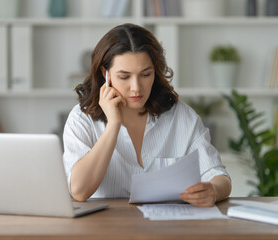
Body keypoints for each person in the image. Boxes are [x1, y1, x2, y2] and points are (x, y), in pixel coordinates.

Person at [63, 23, 231, 207]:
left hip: (166, 229)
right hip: (105, 230)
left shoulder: (180, 116)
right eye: (124, 77)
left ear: (155, 72)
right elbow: (79, 191)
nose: (136, 87)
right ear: (105, 74)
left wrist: (213, 191)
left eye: (145, 74)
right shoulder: (82, 119)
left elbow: (218, 175)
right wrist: (113, 124)